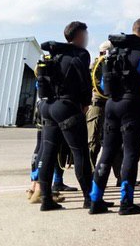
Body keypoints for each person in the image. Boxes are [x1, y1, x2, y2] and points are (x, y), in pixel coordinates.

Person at [89, 18, 140, 215]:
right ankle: (126, 203)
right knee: (130, 153)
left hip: (111, 104)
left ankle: (95, 200)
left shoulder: (112, 54)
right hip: (132, 105)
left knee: (107, 152)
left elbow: (103, 85)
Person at [35, 21, 93, 211]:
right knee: (80, 152)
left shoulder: (54, 54)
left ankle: (46, 199)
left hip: (48, 106)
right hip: (67, 107)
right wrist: (85, 103)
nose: (87, 38)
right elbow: (85, 81)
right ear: (79, 36)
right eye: (85, 35)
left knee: (48, 152)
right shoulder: (80, 54)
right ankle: (90, 199)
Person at [86, 40, 122, 185]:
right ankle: (90, 176)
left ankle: (121, 176)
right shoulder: (97, 65)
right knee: (93, 143)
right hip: (98, 106)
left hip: (110, 106)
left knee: (115, 143)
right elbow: (100, 87)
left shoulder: (113, 65)